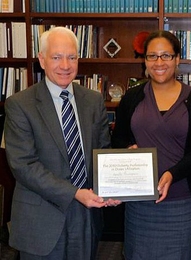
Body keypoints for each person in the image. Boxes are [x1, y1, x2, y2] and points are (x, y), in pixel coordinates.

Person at [4, 26, 113, 259]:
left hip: (86, 217)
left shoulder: (93, 100)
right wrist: (74, 193)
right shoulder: (20, 105)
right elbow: (24, 166)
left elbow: (103, 153)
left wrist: (113, 184)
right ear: (42, 60)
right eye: (56, 57)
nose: (65, 65)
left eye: (71, 57)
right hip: (41, 222)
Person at [111, 30, 191, 260]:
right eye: (152, 56)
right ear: (145, 61)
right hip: (140, 204)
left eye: (166, 55)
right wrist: (127, 151)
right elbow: (118, 140)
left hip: (181, 201)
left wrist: (172, 174)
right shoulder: (132, 98)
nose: (159, 62)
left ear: (177, 59)